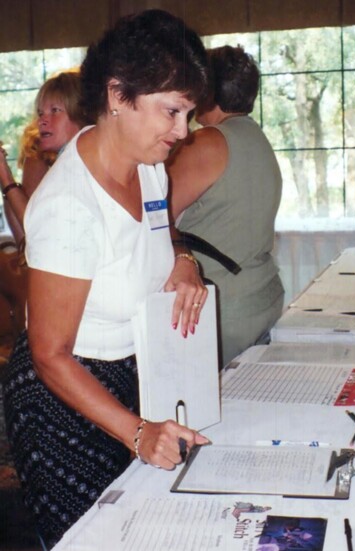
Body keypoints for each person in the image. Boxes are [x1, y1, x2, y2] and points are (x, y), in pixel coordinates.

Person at [2, 10, 209, 548]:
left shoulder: (150, 169)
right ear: (118, 96)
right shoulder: (69, 205)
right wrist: (138, 433)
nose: (182, 132)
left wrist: (183, 263)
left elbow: (164, 238)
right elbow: (50, 353)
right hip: (62, 403)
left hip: (130, 376)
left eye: (187, 114)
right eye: (172, 112)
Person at [167, 45, 285, 367]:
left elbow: (154, 217)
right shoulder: (257, 138)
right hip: (261, 297)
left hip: (222, 309)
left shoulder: (207, 142)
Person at [1, 70, 91, 246]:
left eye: (55, 110)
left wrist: (5, 177)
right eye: (41, 113)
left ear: (80, 114)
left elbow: (35, 231)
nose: (42, 120)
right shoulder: (69, 161)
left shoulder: (78, 165)